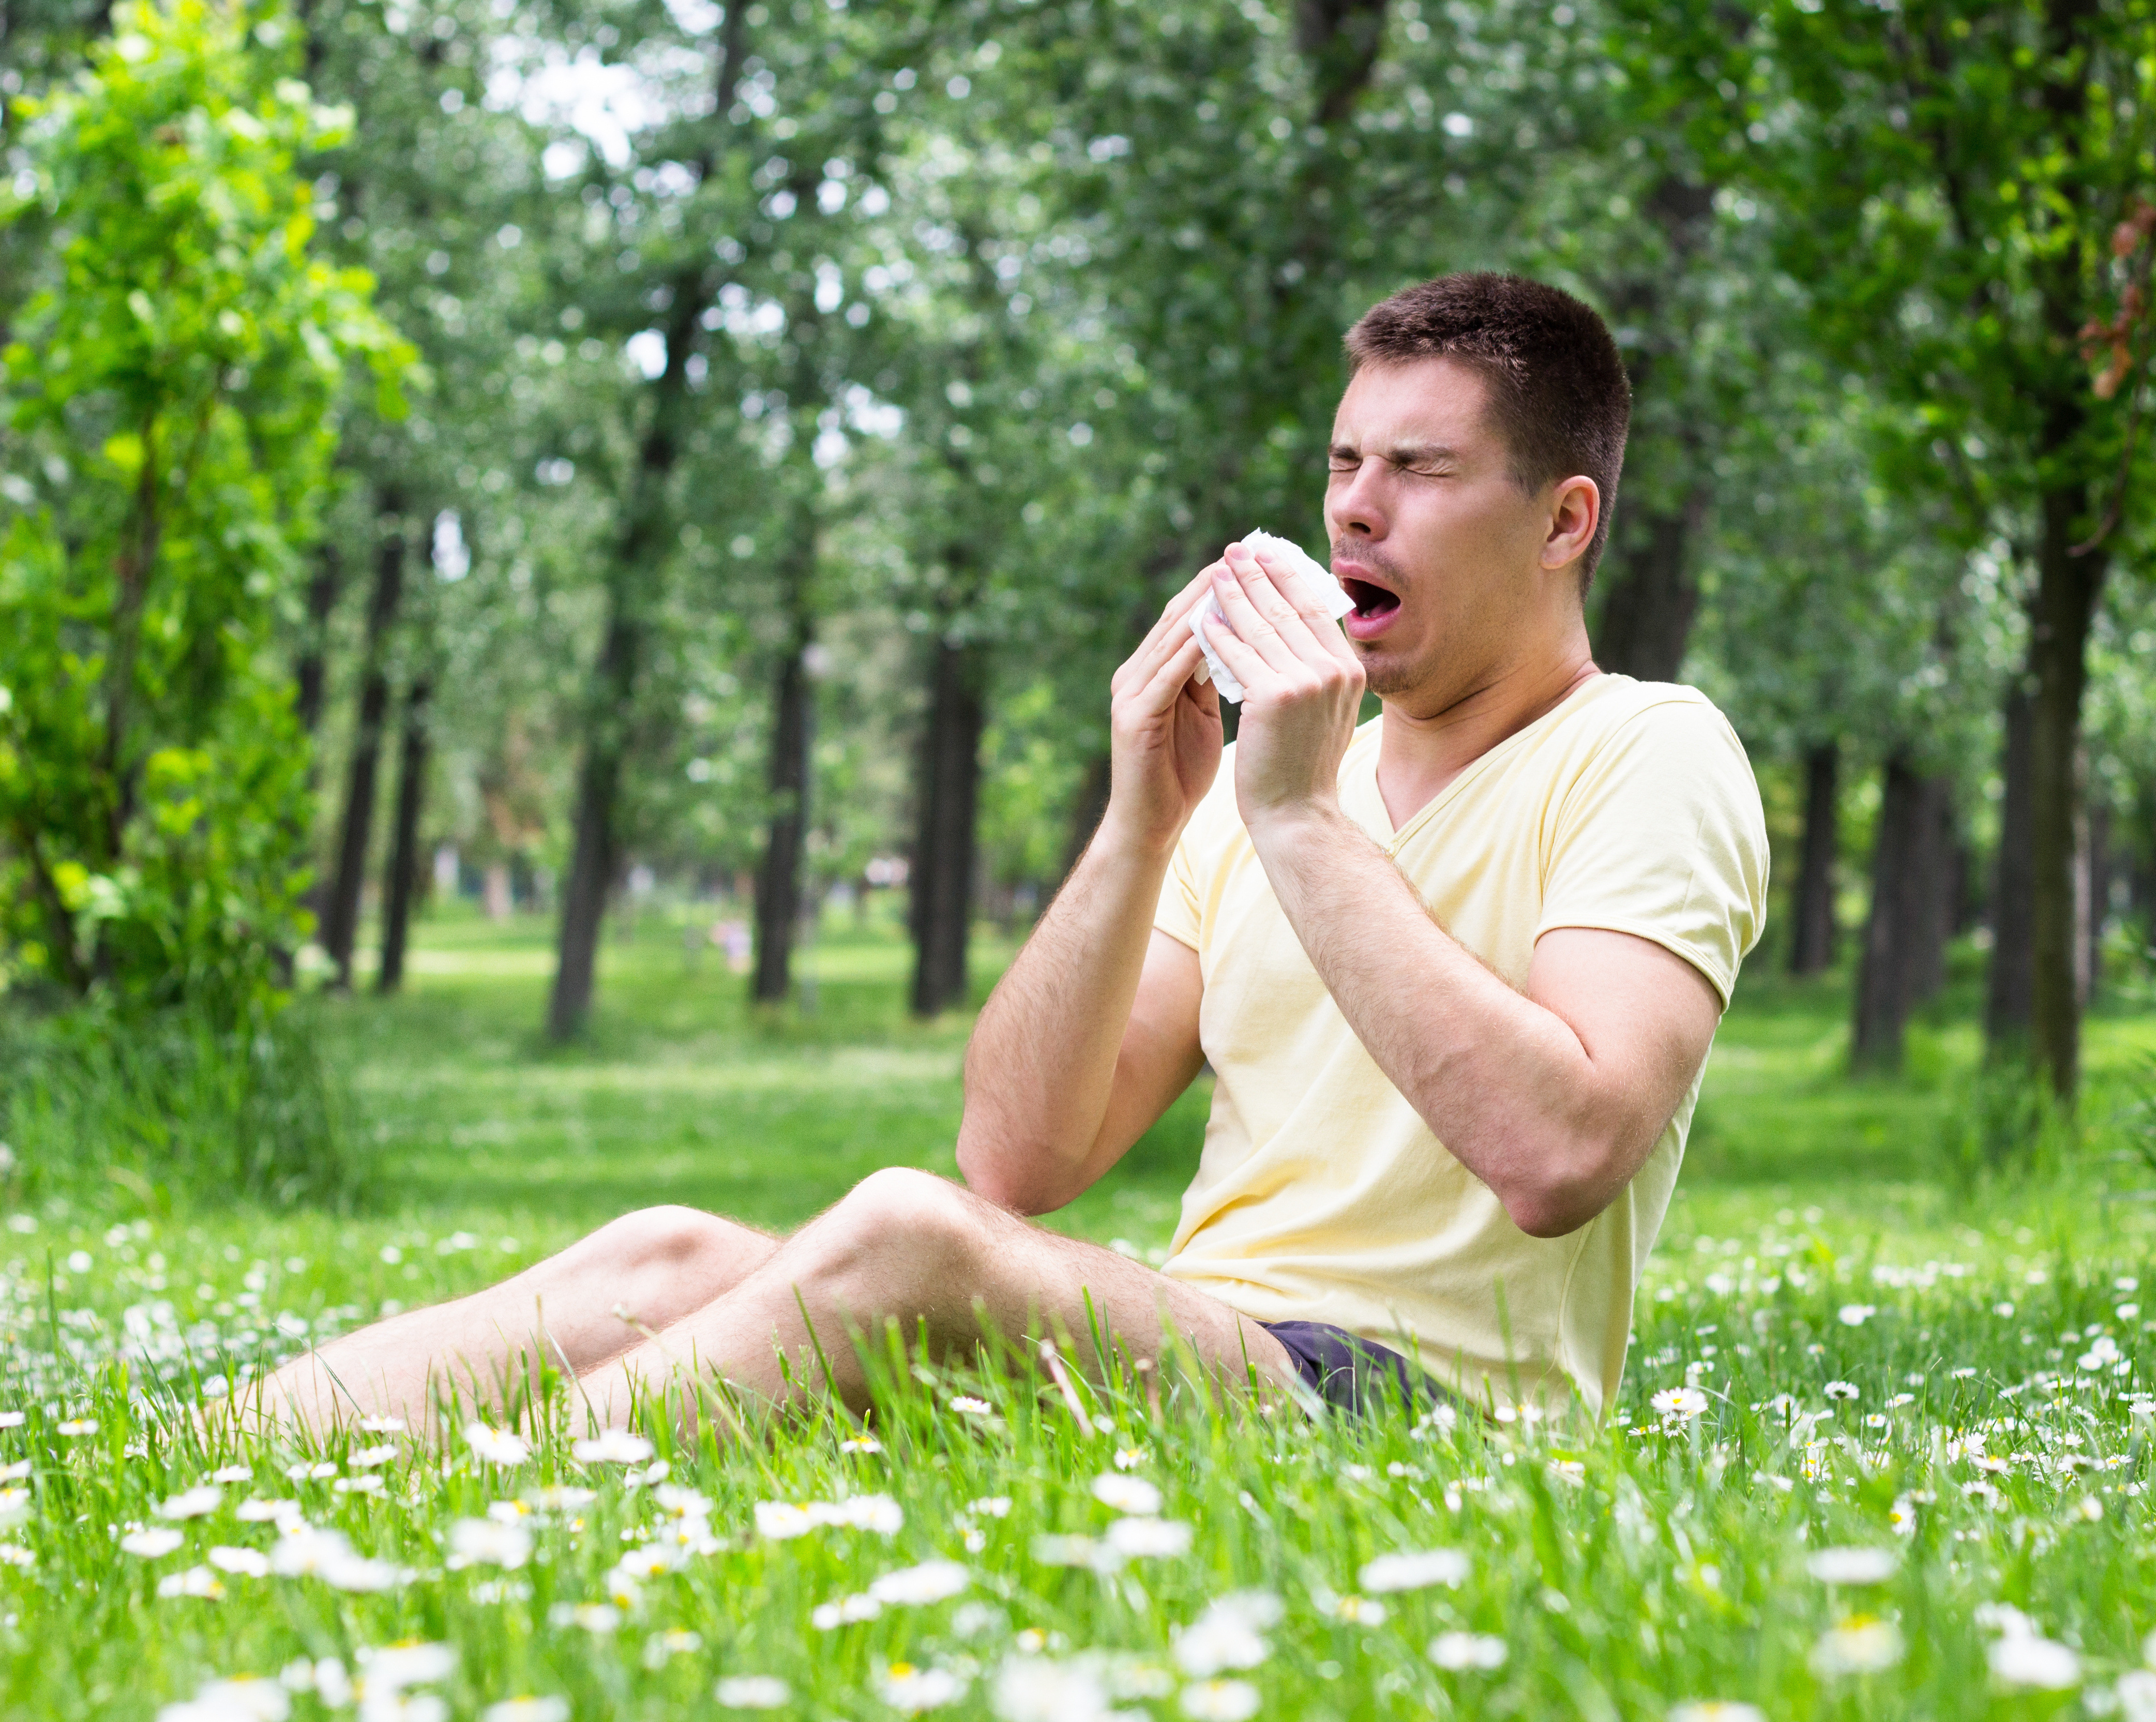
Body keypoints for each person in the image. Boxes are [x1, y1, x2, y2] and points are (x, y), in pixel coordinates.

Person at [248, 271, 1767, 1437]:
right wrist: (1144, 816)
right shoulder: (1275, 781)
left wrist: (1297, 819)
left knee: (909, 1236)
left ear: (1563, 520)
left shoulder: (1647, 751)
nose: (1354, 506)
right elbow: (1022, 1158)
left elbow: (1561, 1154)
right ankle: (160, 1460)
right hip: (1213, 1343)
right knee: (664, 1252)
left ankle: (471, 1530)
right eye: (1341, 460)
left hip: (1416, 1410)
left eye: (1420, 470)